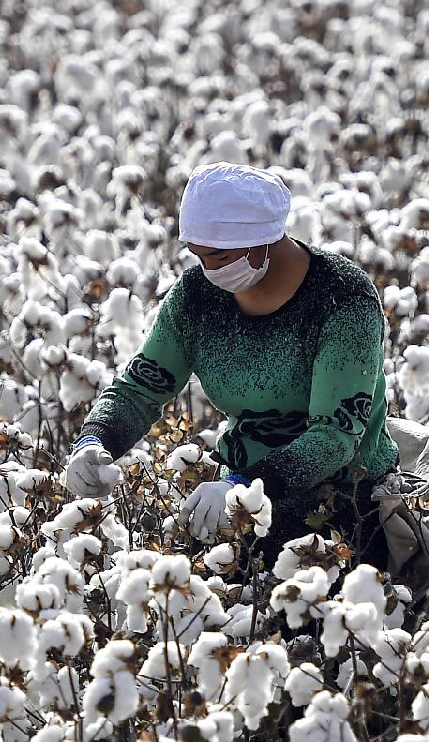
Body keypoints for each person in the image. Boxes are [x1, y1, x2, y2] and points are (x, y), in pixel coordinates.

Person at [61, 162, 399, 568]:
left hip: (344, 498)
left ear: (264, 240)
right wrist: (96, 440)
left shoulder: (342, 300)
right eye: (198, 256)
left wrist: (244, 487)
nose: (209, 270)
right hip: (239, 487)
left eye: (219, 255)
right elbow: (139, 388)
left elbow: (335, 437)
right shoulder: (198, 296)